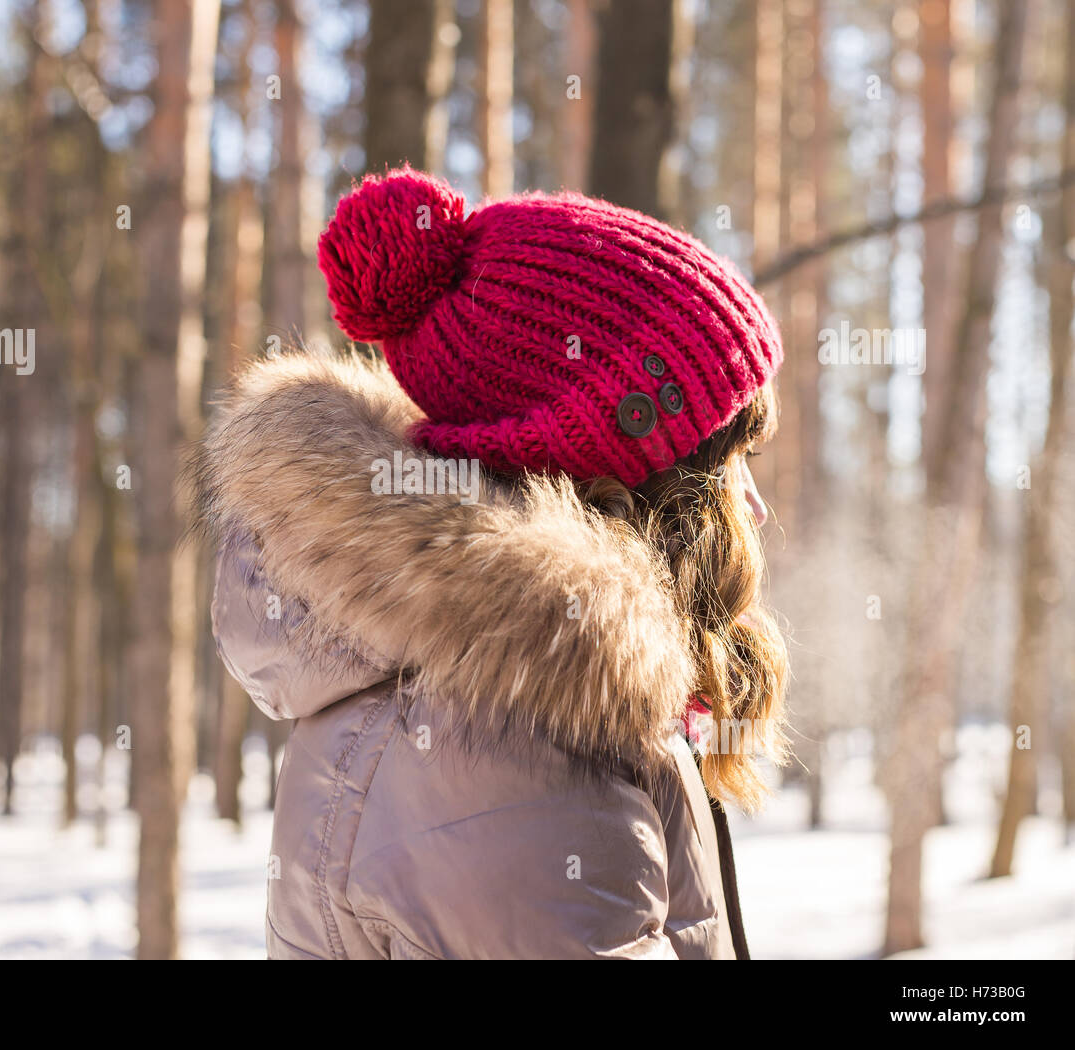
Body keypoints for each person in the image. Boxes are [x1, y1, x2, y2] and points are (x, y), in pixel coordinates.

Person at [194, 167, 789, 959]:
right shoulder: (522, 761)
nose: (750, 506)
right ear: (617, 467)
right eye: (725, 462)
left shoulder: (495, 698)